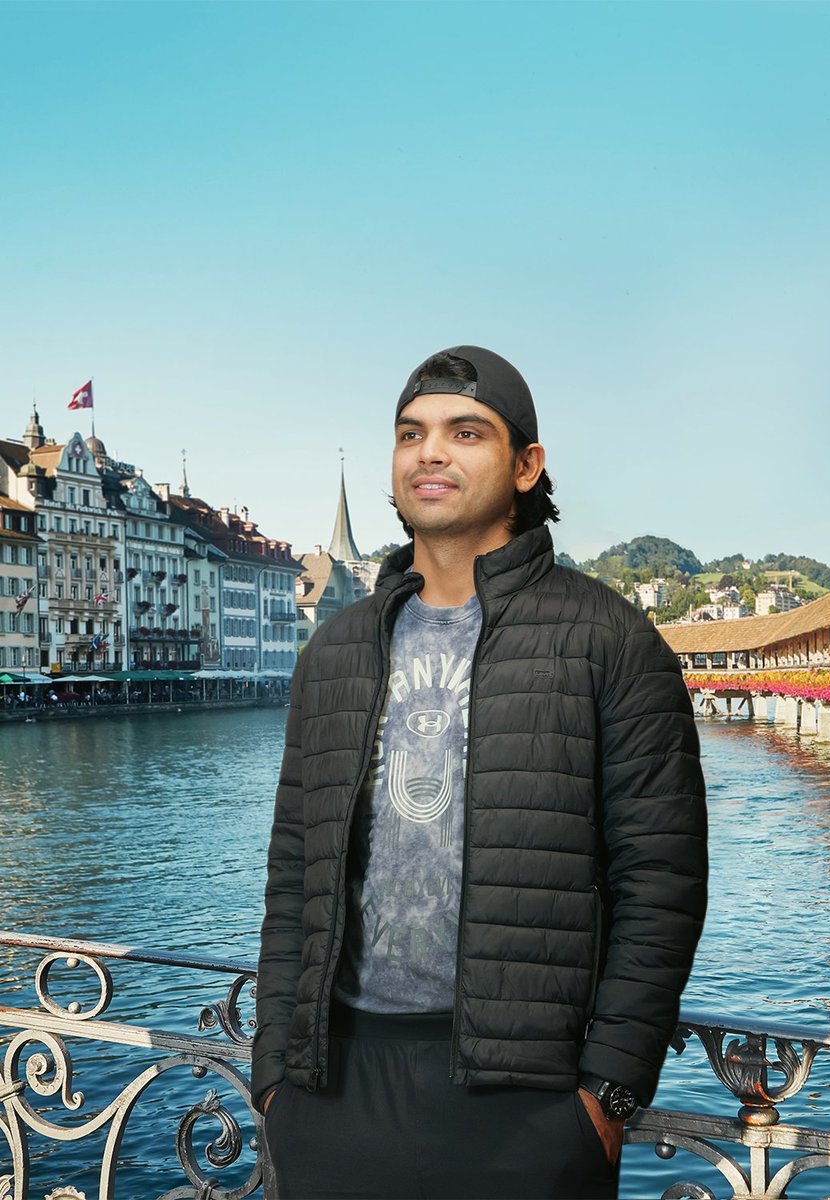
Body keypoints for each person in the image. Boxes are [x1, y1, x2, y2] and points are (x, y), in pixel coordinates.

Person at [253, 346, 708, 1200]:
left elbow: (664, 883)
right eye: (411, 433)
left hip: (526, 1103)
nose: (431, 453)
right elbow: (292, 870)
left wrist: (604, 1096)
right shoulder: (337, 649)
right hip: (332, 1084)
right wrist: (275, 1074)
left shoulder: (608, 640)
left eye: (467, 432)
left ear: (528, 465)